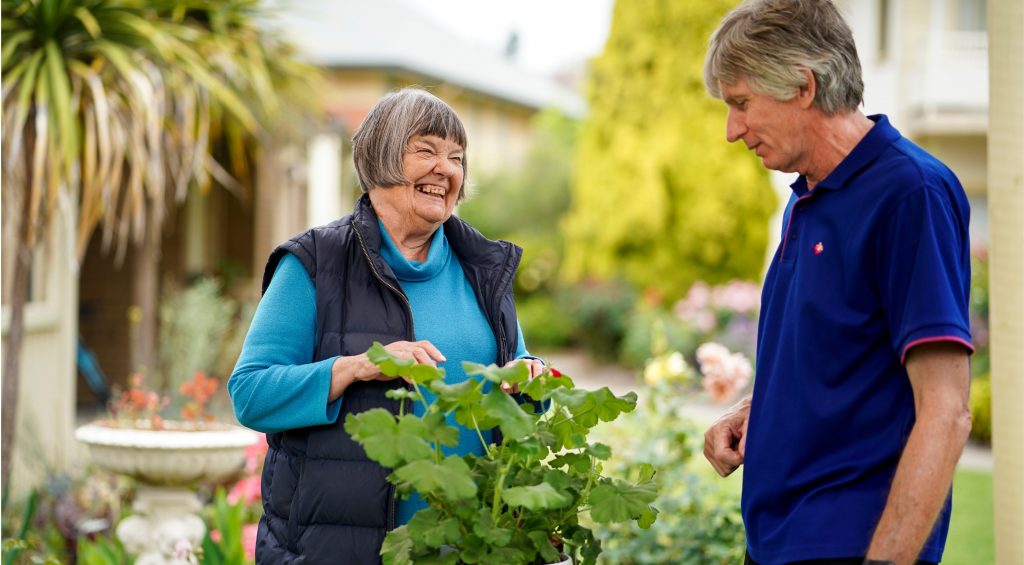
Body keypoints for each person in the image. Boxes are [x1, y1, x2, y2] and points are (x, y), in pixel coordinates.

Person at [701, 1, 973, 564]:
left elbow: (946, 410)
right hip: (777, 540)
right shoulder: (808, 198)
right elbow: (843, 358)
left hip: (851, 543)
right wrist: (761, 410)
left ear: (803, 86)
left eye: (742, 103)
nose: (732, 131)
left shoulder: (909, 193)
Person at [228, 87, 545, 564]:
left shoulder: (483, 269)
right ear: (380, 158)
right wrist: (356, 367)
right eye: (427, 150)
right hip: (339, 550)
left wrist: (531, 377)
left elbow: (516, 379)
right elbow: (250, 394)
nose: (447, 168)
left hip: (470, 547)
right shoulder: (316, 263)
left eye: (457, 157)